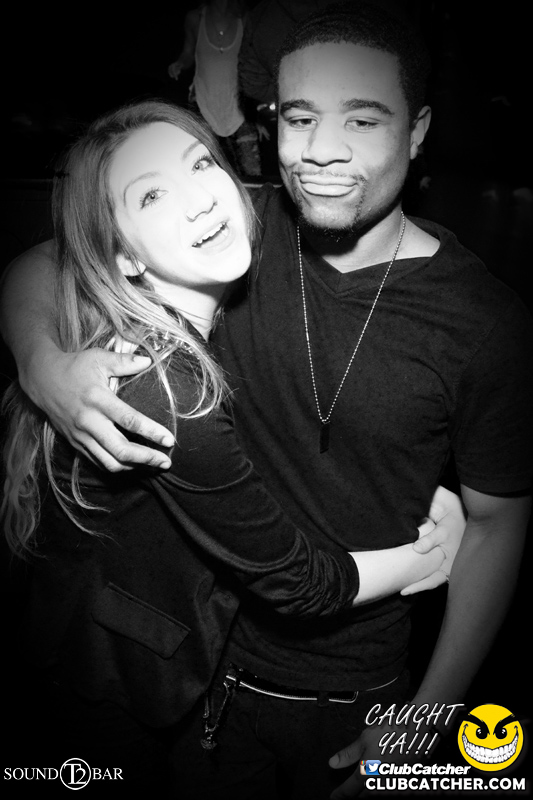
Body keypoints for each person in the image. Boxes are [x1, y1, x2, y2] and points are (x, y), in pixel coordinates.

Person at [1, 3, 531, 797]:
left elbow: (495, 526)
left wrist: (429, 718)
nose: (322, 150)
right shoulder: (240, 231)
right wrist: (42, 364)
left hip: (353, 691)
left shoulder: (482, 325)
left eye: (362, 119)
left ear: (417, 132)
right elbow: (54, 258)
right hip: (198, 672)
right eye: (300, 117)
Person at [168, 0, 262, 178]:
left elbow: (254, 61)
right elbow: (188, 53)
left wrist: (256, 117)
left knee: (252, 175)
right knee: (204, 173)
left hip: (239, 107)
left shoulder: (245, 18)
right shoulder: (195, 18)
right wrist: (180, 63)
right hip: (203, 105)